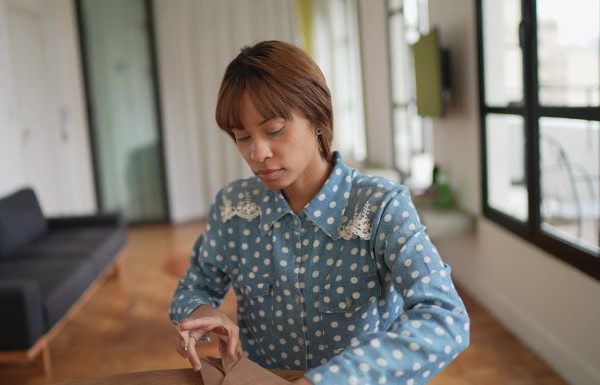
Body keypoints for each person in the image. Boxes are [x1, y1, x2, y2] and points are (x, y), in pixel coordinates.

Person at [170, 40, 469, 385]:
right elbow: (194, 287)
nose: (257, 153)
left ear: (316, 118)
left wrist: (327, 381)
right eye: (242, 137)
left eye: (274, 130)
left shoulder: (381, 205)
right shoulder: (234, 208)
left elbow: (445, 318)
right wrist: (200, 311)